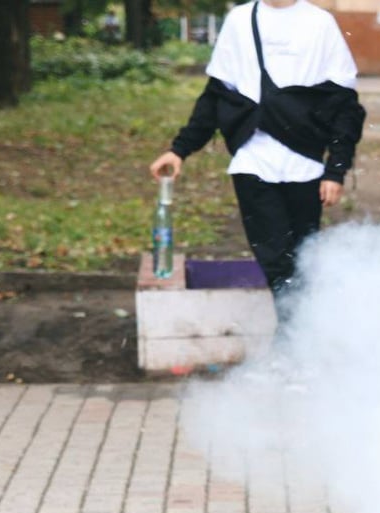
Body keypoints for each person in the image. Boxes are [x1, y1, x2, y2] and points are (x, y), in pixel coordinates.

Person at [149, 0, 365, 326]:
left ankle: (305, 339)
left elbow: (345, 106)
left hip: (305, 166)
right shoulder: (239, 20)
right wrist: (179, 150)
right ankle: (294, 343)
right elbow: (216, 94)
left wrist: (336, 168)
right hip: (252, 163)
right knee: (276, 259)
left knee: (303, 259)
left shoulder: (319, 24)